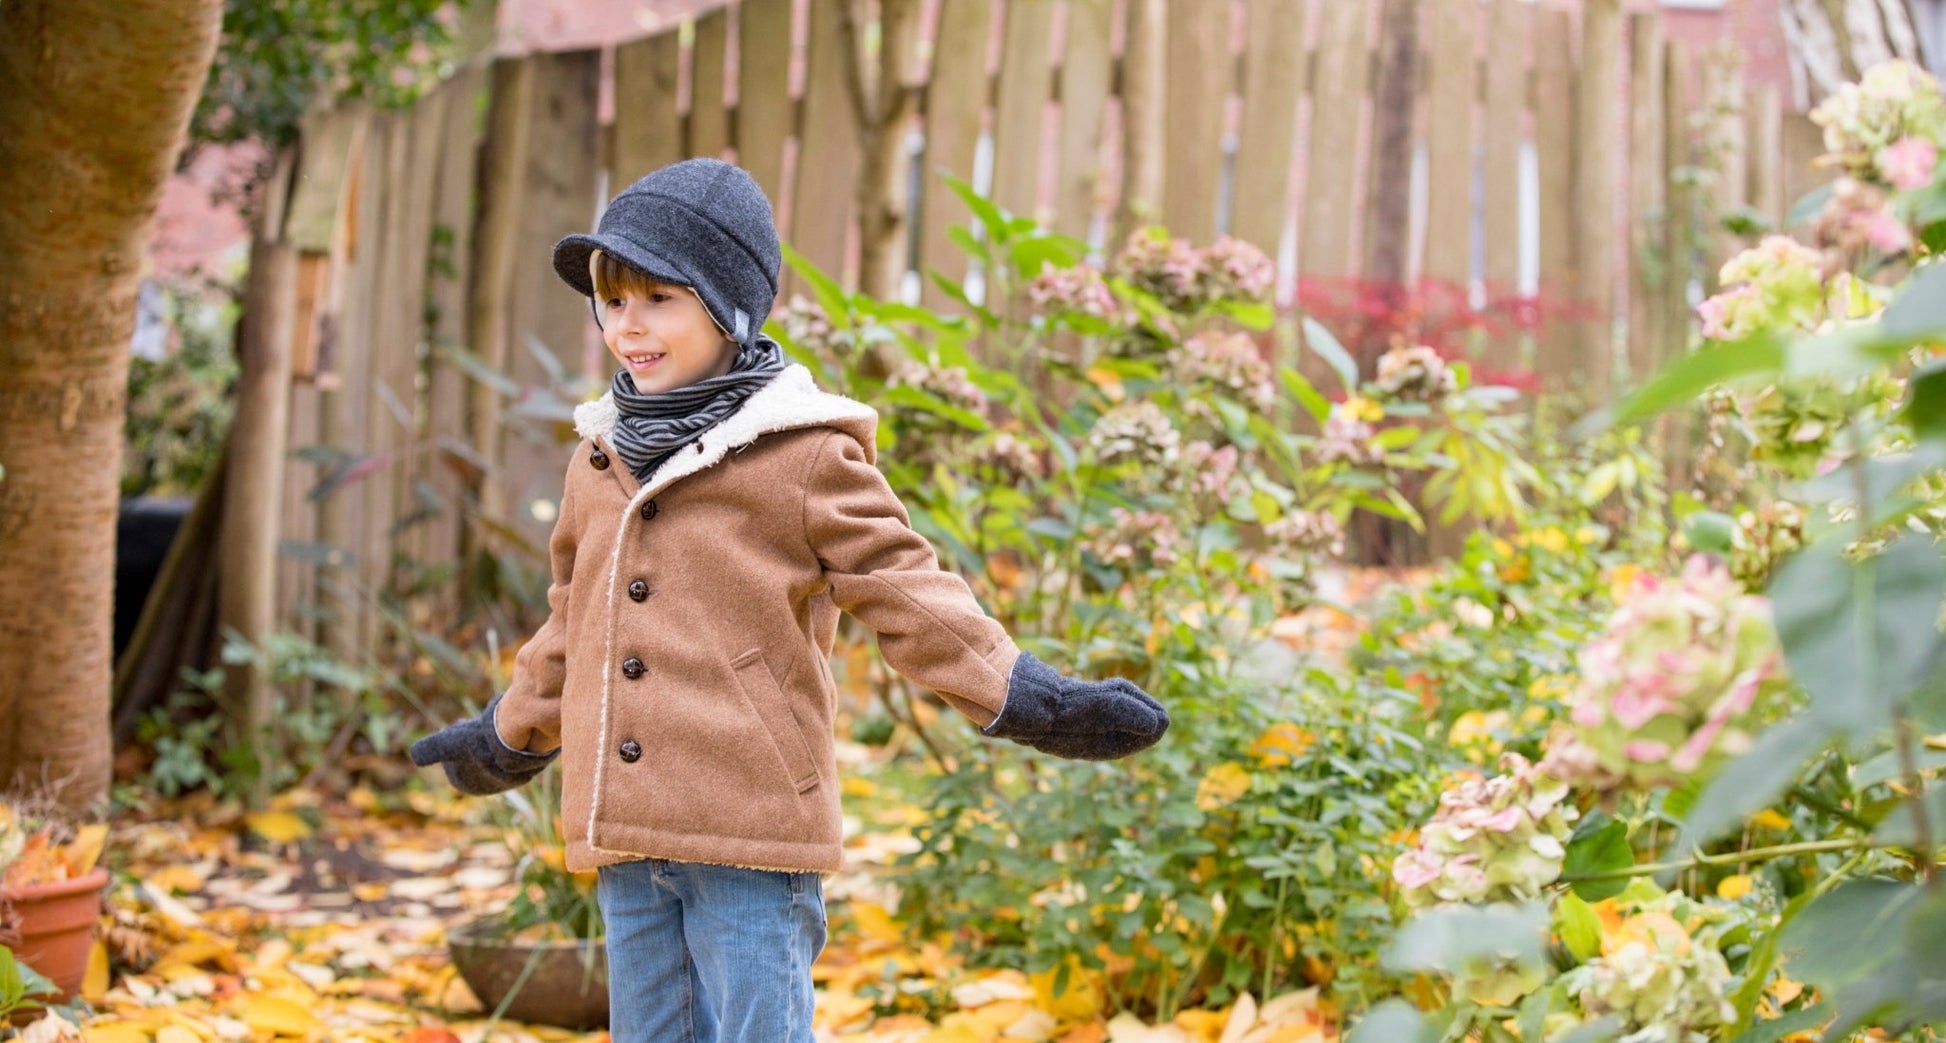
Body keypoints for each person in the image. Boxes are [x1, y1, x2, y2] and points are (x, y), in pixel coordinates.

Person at [409, 158, 1168, 1041]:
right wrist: (509, 732)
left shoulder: (801, 454)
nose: (628, 326)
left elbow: (905, 588)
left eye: (658, 298)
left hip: (752, 827)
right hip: (624, 824)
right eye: (612, 301)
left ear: (729, 306)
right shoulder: (601, 456)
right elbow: (574, 618)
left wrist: (1023, 693)